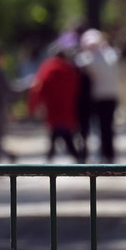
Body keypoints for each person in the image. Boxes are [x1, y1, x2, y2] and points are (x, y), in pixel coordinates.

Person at [28, 34, 85, 163]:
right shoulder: (69, 69)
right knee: (63, 134)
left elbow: (38, 87)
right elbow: (76, 88)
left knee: (58, 134)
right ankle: (73, 159)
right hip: (66, 108)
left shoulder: (47, 67)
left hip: (53, 108)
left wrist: (34, 106)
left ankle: (52, 159)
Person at [77, 29, 120, 162]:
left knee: (102, 128)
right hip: (112, 95)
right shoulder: (111, 54)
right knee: (107, 127)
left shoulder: (91, 58)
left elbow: (79, 62)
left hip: (100, 97)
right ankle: (109, 155)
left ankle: (105, 155)